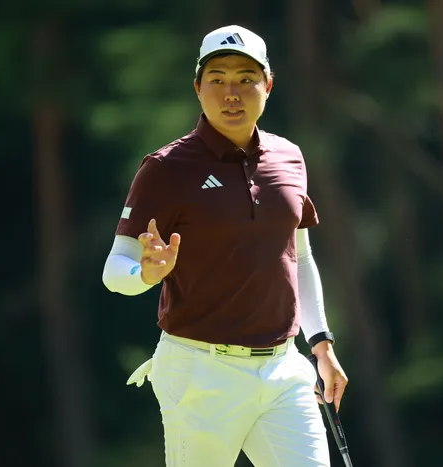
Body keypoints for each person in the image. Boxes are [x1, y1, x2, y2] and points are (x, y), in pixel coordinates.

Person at [102, 24, 348, 467]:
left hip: (283, 369)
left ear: (267, 86)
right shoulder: (166, 168)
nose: (231, 93)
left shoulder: (289, 157)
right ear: (198, 88)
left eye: (245, 79)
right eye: (217, 79)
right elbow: (115, 269)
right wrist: (146, 275)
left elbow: (299, 257)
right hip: (200, 372)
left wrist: (321, 344)